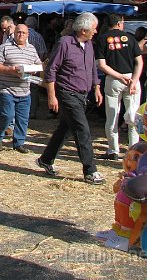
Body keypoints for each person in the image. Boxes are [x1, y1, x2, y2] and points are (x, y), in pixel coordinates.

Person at [37, 12, 105, 185]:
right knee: (83, 130)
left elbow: (91, 68)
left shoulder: (89, 45)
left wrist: (97, 88)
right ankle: (90, 170)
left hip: (82, 95)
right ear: (83, 30)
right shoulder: (65, 43)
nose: (95, 32)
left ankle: (46, 159)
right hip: (67, 93)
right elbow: (51, 70)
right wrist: (52, 96)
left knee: (65, 129)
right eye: (93, 29)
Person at [95, 13, 143, 160]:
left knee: (112, 116)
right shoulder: (130, 38)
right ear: (120, 23)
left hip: (113, 79)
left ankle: (113, 150)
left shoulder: (102, 39)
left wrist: (118, 76)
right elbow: (139, 62)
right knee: (133, 116)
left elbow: (101, 65)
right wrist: (134, 80)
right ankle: (133, 151)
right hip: (131, 79)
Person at [0, 24, 41, 153]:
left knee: (23, 118)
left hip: (24, 89)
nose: (21, 35)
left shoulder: (31, 49)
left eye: (24, 33)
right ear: (14, 33)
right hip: (6, 88)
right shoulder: (4, 47)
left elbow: (38, 64)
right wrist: (10, 70)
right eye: (19, 32)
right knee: (7, 115)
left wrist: (34, 70)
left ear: (27, 35)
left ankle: (19, 142)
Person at [24, 16, 48, 120]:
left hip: (23, 66)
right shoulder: (39, 36)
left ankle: (22, 111)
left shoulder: (21, 34)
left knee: (22, 88)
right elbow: (43, 52)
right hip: (35, 66)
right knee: (34, 89)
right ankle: (32, 112)